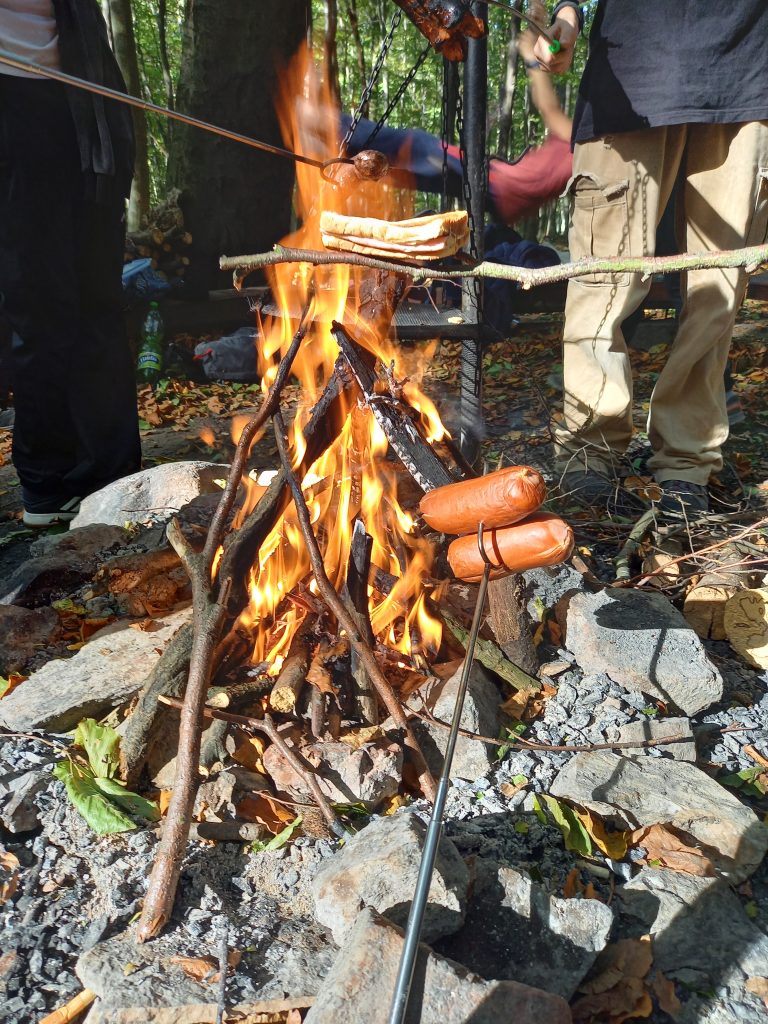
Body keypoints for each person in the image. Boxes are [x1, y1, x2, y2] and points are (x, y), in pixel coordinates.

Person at [534, 1, 768, 516]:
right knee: (601, 278)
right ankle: (589, 456)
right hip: (632, 68)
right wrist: (566, 13)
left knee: (719, 289)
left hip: (750, 70)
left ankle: (686, 461)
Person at [0, 0, 141, 527]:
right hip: (10, 100)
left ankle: (113, 472)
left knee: (100, 303)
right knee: (40, 305)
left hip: (85, 106)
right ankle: (47, 480)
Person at [341, 27, 572, 230]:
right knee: (403, 168)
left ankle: (323, 126)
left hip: (499, 186)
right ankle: (335, 146)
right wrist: (540, 31)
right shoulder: (587, 145)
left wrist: (531, 58)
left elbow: (549, 108)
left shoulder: (583, 141)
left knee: (417, 147)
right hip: (502, 191)